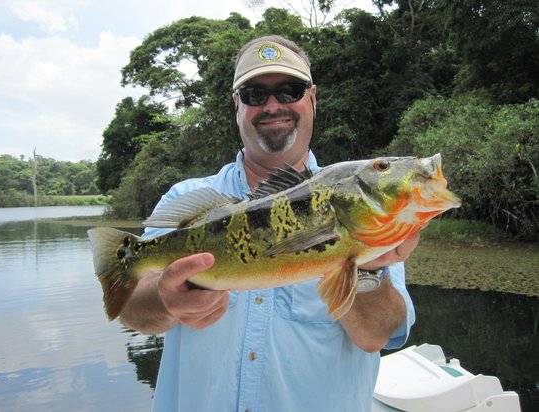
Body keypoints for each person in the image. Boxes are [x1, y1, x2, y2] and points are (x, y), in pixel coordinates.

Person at [120, 35, 418, 412]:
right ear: (236, 105)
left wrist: (366, 269)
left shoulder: (358, 200)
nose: (273, 105)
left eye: (289, 90)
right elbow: (130, 308)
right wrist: (165, 297)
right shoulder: (186, 200)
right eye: (255, 94)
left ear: (312, 98)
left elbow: (379, 335)